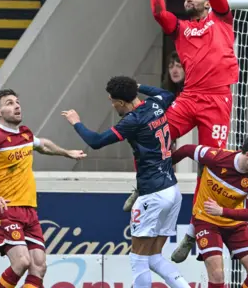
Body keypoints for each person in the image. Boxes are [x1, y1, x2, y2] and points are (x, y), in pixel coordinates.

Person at [145, 0, 239, 262]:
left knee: (210, 168)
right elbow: (159, 12)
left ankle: (191, 232)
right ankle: (146, 185)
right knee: (152, 135)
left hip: (217, 101)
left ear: (208, 4)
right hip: (189, 98)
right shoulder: (181, 29)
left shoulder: (222, 19)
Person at [62, 76, 190, 288]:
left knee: (138, 258)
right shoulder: (156, 103)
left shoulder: (132, 121)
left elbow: (96, 141)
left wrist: (76, 122)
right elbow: (168, 94)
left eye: (112, 101)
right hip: (172, 191)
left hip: (153, 193)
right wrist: (138, 87)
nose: (112, 105)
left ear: (120, 102)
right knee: (154, 258)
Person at [0, 89, 86, 288]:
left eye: (17, 102)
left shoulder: (25, 134)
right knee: (22, 261)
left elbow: (44, 145)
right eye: (9, 103)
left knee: (39, 266)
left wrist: (67, 153)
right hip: (5, 209)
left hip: (29, 210)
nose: (16, 105)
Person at [171, 135, 248, 288]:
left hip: (234, 222)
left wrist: (222, 211)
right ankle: (190, 234)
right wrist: (162, 170)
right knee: (217, 275)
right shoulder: (216, 157)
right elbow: (186, 149)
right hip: (206, 220)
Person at [123, 51, 185, 212]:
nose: (175, 70)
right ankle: (141, 188)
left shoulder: (190, 93)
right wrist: (134, 87)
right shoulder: (164, 93)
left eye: (179, 66)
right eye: (171, 66)